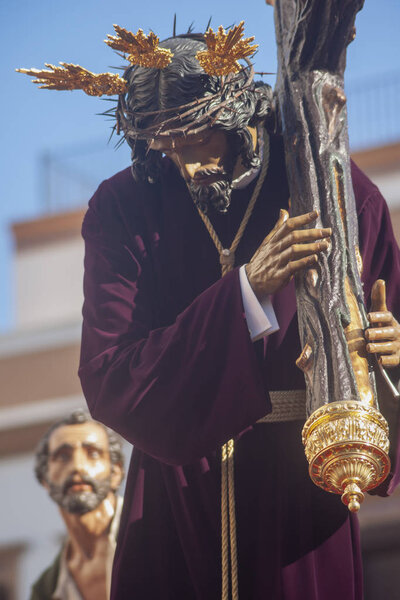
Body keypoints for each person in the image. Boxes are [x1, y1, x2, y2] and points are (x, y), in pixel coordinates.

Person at [17, 21, 400, 600]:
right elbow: (109, 377)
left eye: (194, 137)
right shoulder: (122, 208)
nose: (184, 162)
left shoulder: (332, 189)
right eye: (162, 143)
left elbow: (383, 327)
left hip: (298, 500)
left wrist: (390, 357)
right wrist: (247, 293)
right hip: (173, 506)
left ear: (236, 110)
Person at [30, 410, 124, 600]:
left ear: (115, 473)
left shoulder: (156, 533)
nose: (78, 467)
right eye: (63, 456)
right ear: (45, 479)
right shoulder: (46, 589)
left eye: (93, 454)